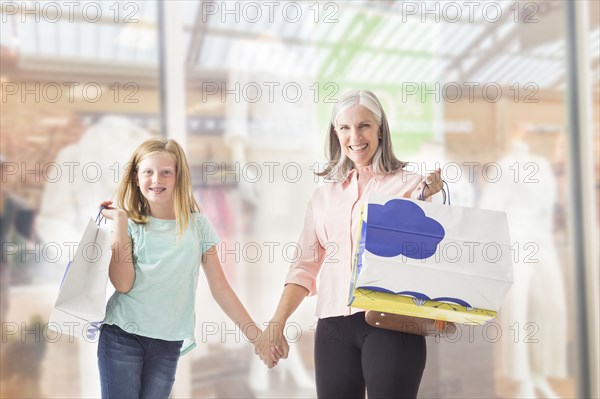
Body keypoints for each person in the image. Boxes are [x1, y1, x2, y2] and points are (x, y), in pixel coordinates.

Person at [255, 90, 443, 398]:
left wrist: (423, 201)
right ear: (335, 133)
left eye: (364, 126)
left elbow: (421, 249)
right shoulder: (323, 197)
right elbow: (304, 266)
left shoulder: (410, 185)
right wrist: (277, 322)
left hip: (391, 322)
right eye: (345, 128)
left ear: (380, 129)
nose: (355, 136)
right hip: (332, 327)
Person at [97, 138, 261, 398]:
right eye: (148, 172)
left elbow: (221, 289)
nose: (156, 179)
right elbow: (122, 284)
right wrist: (119, 221)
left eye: (165, 172)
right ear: (136, 178)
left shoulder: (198, 226)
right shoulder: (128, 225)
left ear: (178, 178)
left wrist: (256, 337)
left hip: (167, 342)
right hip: (122, 337)